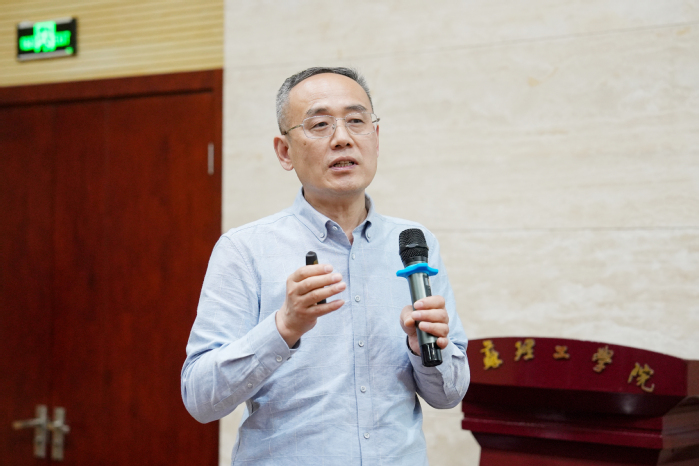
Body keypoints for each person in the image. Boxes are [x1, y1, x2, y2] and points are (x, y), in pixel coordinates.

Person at [181, 67, 469, 465]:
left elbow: (449, 395)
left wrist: (423, 351)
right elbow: (200, 399)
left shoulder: (414, 244)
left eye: (356, 121)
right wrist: (284, 328)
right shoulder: (245, 249)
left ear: (376, 138)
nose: (342, 138)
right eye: (319, 124)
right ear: (285, 152)